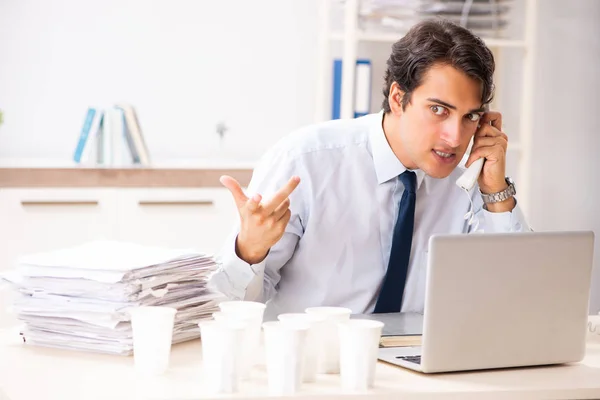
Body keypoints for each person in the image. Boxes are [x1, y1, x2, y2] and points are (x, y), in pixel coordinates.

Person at [208, 19, 531, 321]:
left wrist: (495, 192)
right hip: (318, 363)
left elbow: (519, 295)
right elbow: (232, 304)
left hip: (420, 364)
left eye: (470, 116)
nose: (455, 136)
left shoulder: (469, 177)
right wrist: (250, 250)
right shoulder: (306, 161)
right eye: (438, 110)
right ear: (397, 98)